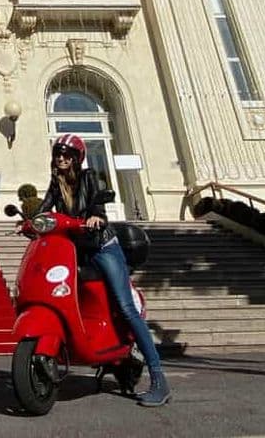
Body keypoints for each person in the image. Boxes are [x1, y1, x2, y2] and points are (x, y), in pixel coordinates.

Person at [38, 133, 172, 408]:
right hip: (76, 251)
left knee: (125, 307)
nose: (61, 158)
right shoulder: (56, 183)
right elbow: (44, 209)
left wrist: (96, 215)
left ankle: (159, 378)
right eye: (58, 154)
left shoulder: (88, 178)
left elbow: (98, 200)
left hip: (102, 247)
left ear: (76, 158)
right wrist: (29, 223)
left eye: (66, 154)